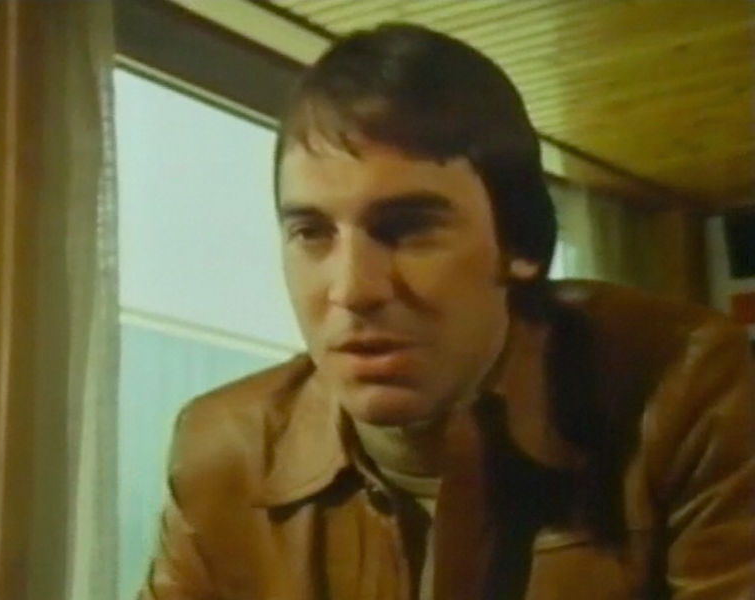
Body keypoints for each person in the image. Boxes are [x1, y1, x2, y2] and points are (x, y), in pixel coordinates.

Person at [139, 23, 755, 600]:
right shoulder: (223, 456)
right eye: (311, 233)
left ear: (520, 243)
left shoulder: (686, 392)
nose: (351, 289)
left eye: (407, 228)